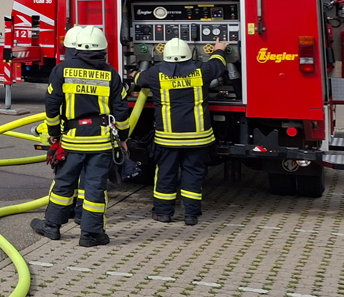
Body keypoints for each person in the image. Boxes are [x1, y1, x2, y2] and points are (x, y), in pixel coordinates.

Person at [31, 25, 130, 247]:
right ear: (103, 48)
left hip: (72, 139)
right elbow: (121, 112)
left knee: (64, 183)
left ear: (76, 48)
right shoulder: (111, 74)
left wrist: (54, 135)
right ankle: (90, 234)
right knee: (95, 186)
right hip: (102, 140)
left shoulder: (62, 70)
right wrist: (123, 137)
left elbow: (52, 105)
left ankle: (52, 227)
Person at [134, 36, 229, 225]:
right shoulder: (202, 71)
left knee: (165, 174)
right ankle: (191, 215)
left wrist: (135, 75)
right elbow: (218, 65)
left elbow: (138, 78)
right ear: (189, 54)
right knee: (193, 173)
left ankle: (163, 213)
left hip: (168, 139)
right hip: (198, 138)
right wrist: (218, 49)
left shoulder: (156, 73)